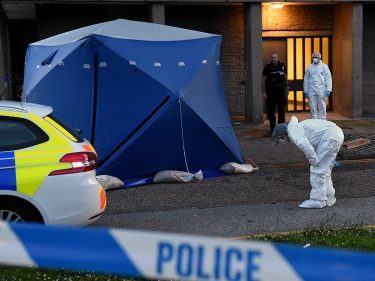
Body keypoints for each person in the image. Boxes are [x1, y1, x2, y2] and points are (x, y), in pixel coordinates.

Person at [272, 116, 344, 209]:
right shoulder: (299, 126)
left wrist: (314, 161)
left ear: (283, 135)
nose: (283, 141)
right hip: (336, 134)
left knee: (316, 170)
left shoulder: (293, 132)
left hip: (329, 137)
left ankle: (318, 200)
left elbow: (306, 147)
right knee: (325, 170)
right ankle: (329, 197)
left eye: (281, 139)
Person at [262, 52, 288, 132]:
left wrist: (287, 88)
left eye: (275, 57)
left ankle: (281, 127)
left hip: (280, 91)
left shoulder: (282, 65)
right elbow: (263, 80)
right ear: (270, 58)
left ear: (277, 57)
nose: (274, 59)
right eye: (272, 58)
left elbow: (285, 77)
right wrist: (264, 92)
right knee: (271, 111)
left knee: (281, 110)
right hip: (271, 92)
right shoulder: (267, 66)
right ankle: (272, 127)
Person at [303, 52, 332, 119]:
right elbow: (306, 80)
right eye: (313, 57)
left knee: (322, 106)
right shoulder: (309, 68)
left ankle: (322, 121)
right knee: (312, 107)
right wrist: (306, 91)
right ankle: (314, 121)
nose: (314, 59)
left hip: (322, 89)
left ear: (320, 58)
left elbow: (328, 78)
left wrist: (328, 89)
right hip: (311, 90)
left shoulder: (324, 67)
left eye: (316, 57)